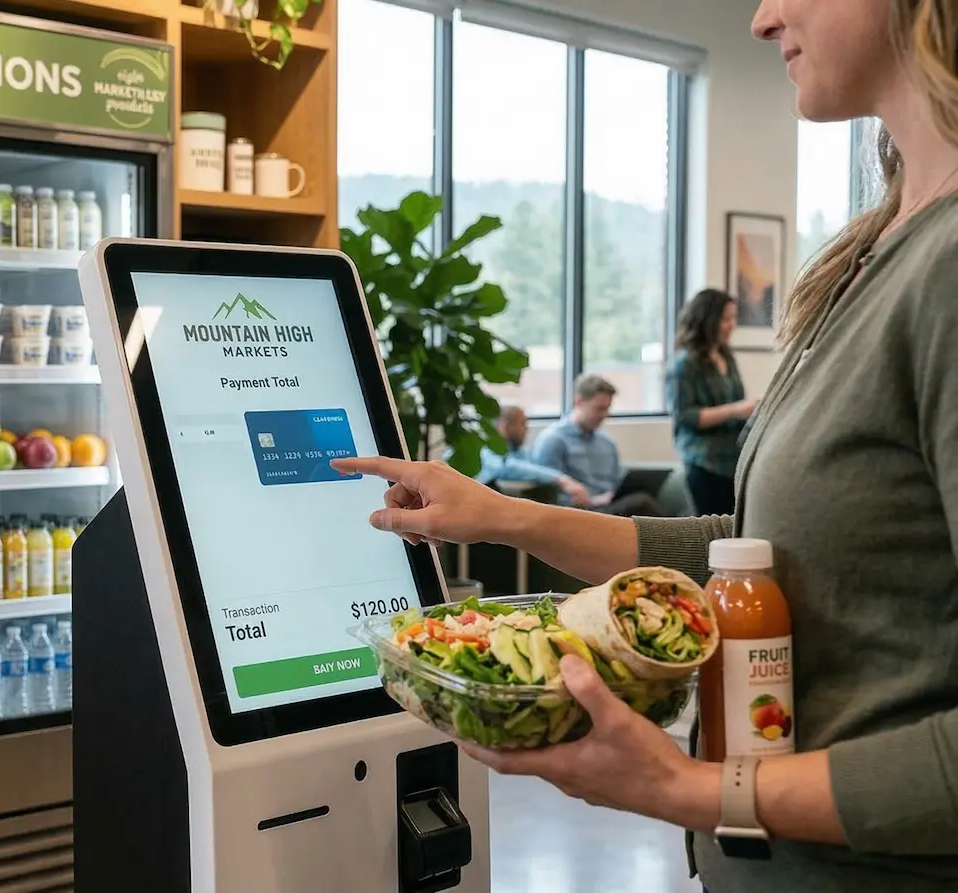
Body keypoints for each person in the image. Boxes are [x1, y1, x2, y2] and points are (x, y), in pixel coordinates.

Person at [332, 1, 958, 889]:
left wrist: (692, 786)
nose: (761, 16)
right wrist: (504, 516)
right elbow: (755, 555)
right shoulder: (879, 250)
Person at [666, 289, 757, 515]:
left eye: (733, 318)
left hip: (733, 461)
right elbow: (685, 417)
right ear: (708, 319)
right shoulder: (684, 365)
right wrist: (734, 410)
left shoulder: (726, 357)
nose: (731, 325)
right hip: (705, 464)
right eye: (725, 319)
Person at [529, 374, 664, 516]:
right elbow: (546, 491)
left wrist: (611, 495)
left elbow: (617, 483)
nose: (604, 415)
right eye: (599, 408)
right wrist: (590, 500)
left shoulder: (607, 443)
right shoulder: (553, 439)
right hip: (578, 512)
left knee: (644, 500)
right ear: (579, 402)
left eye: (607, 408)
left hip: (608, 507)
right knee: (642, 504)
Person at [473, 405, 591, 507]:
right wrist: (561, 479)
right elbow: (506, 467)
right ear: (505, 427)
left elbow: (534, 469)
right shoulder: (485, 450)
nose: (527, 429)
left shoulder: (521, 452)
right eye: (523, 424)